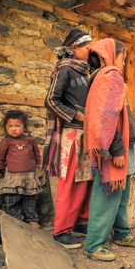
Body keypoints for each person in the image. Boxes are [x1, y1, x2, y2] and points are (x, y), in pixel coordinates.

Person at [83, 38, 135, 262]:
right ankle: (94, 245)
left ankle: (121, 233)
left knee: (121, 192)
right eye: (124, 59)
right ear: (111, 56)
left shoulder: (100, 76)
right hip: (112, 146)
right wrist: (116, 148)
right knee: (107, 193)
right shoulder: (111, 75)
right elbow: (105, 117)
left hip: (117, 144)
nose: (125, 64)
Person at [43, 29, 93, 249]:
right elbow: (51, 101)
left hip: (86, 135)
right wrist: (76, 114)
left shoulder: (86, 71)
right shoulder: (65, 69)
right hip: (71, 135)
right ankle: (61, 230)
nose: (90, 51)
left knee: (86, 181)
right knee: (70, 183)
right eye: (87, 48)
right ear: (74, 48)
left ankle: (82, 223)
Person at [0, 110, 42, 229]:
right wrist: (4, 170)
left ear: (24, 127)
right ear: (6, 127)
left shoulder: (30, 140)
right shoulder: (6, 142)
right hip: (13, 178)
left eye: (17, 126)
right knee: (12, 200)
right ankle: (17, 220)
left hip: (29, 177)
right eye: (10, 126)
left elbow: (37, 154)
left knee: (30, 200)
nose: (13, 129)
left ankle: (31, 219)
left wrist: (38, 164)